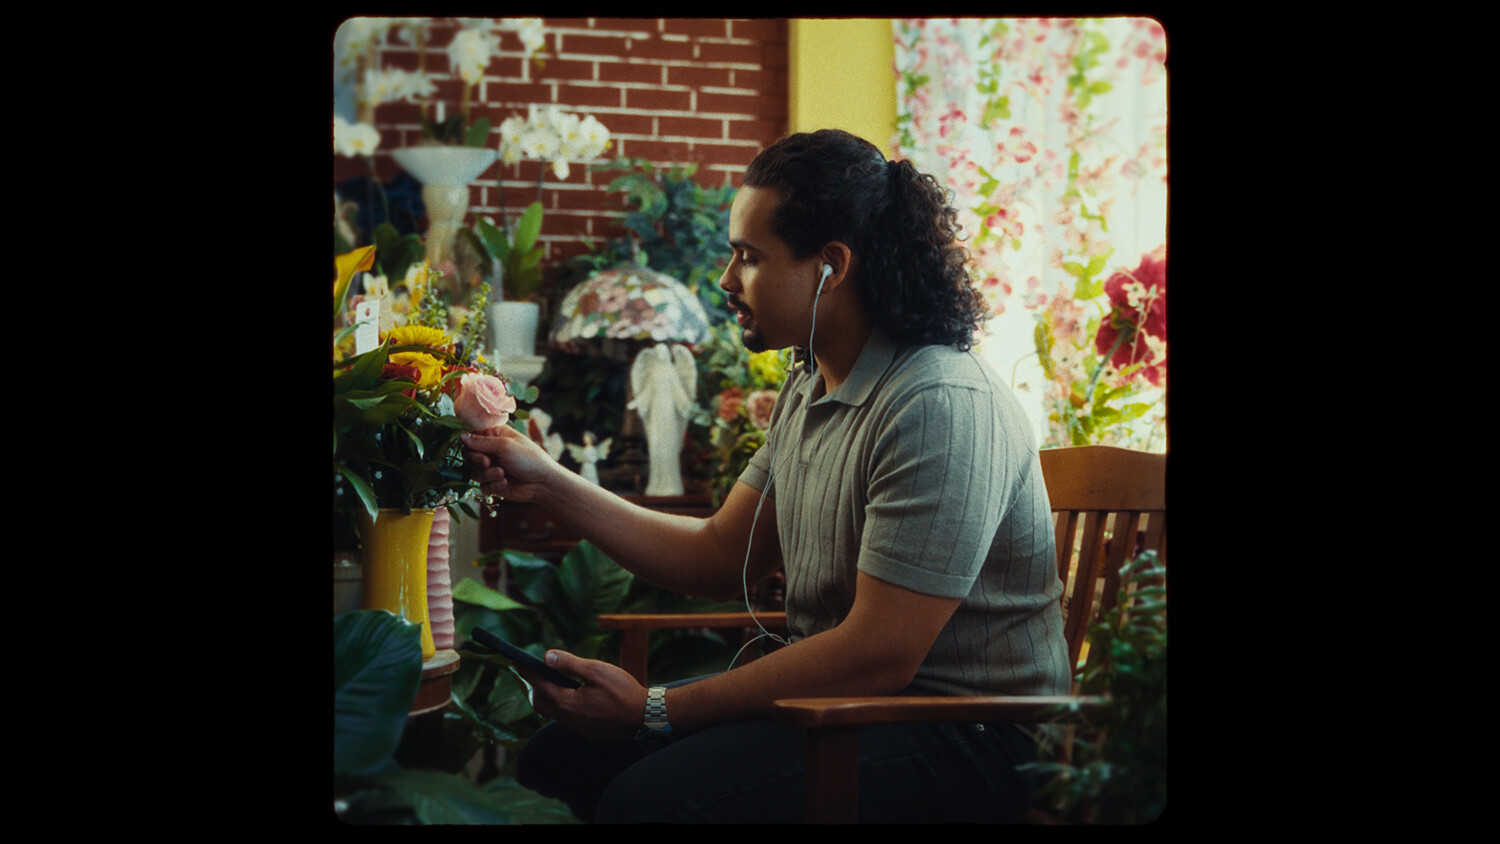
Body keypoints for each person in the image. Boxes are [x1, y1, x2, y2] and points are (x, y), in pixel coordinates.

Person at [461, 129, 1069, 824]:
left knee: (649, 802)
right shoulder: (810, 384)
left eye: (748, 257)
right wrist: (545, 480)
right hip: (859, 708)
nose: (727, 280)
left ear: (831, 266)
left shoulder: (939, 402)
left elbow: (879, 656)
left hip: (975, 733)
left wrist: (654, 708)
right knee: (561, 755)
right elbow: (720, 555)